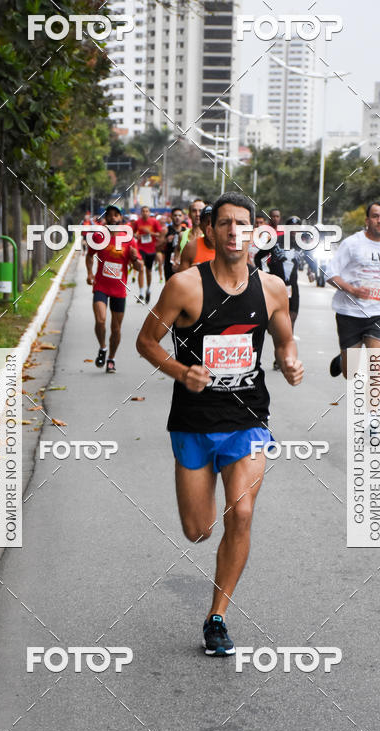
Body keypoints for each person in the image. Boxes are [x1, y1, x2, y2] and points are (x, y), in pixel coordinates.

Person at [136, 192, 303, 656]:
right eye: (226, 223)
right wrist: (180, 370)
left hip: (247, 416)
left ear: (255, 232)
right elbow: (146, 341)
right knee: (198, 530)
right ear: (210, 230)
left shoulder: (271, 288)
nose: (234, 232)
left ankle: (217, 617)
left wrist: (289, 360)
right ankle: (206, 552)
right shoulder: (185, 286)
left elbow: (285, 337)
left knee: (243, 513)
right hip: (192, 421)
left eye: (243, 224)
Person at [326, 201, 380, 378]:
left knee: (375, 365)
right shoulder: (352, 244)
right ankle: (343, 362)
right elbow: (331, 274)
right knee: (351, 372)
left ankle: (372, 406)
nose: (379, 220)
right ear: (367, 220)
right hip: (350, 313)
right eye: (375, 216)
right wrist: (352, 290)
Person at [86, 205, 142, 373]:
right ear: (106, 219)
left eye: (115, 215)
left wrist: (135, 259)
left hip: (119, 289)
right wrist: (89, 273)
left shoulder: (129, 240)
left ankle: (111, 358)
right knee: (100, 320)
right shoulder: (98, 237)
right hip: (101, 286)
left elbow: (139, 267)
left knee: (116, 328)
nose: (112, 218)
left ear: (120, 218)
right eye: (109, 215)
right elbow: (89, 255)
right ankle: (102, 347)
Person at [133, 206, 163, 303]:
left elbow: (160, 234)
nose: (145, 213)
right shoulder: (138, 222)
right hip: (141, 248)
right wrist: (136, 235)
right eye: (143, 211)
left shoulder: (154, 222)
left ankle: (148, 289)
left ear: (149, 212)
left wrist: (150, 233)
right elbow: (132, 233)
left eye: (147, 211)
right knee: (141, 267)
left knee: (148, 272)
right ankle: (141, 292)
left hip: (151, 249)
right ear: (141, 213)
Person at [178, 205, 215, 270]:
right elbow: (180, 277)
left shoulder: (228, 248)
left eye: (213, 222)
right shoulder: (190, 248)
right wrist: (192, 272)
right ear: (200, 226)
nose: (210, 226)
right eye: (207, 222)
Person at [173, 198, 205, 270]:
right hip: (185, 279)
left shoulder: (210, 237)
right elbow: (177, 252)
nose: (197, 214)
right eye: (194, 211)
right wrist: (175, 263)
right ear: (189, 215)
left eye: (200, 211)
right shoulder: (182, 235)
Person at [158, 207, 188, 281]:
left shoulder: (187, 231)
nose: (177, 218)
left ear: (183, 217)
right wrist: (165, 241)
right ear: (171, 217)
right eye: (175, 215)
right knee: (169, 286)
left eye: (179, 215)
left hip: (183, 263)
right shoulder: (166, 230)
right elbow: (157, 248)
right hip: (169, 263)